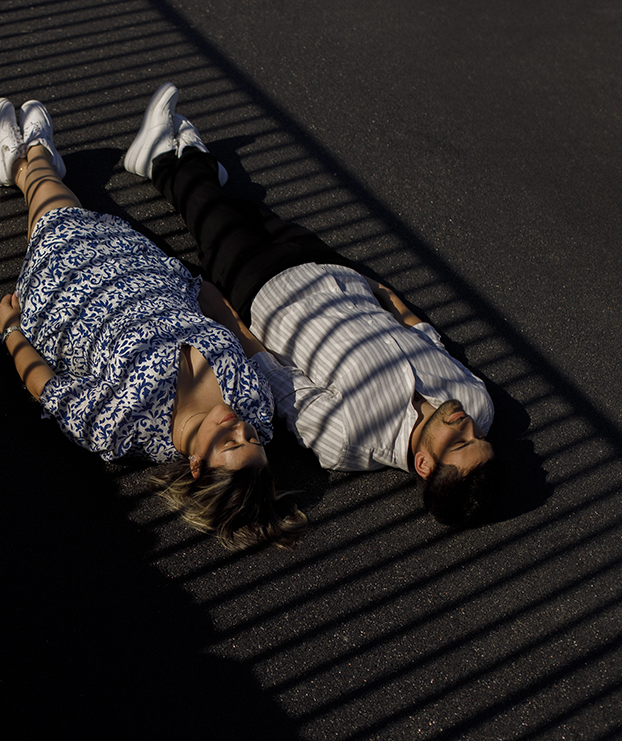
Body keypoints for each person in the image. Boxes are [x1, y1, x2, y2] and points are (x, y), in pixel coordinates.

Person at [124, 82, 501, 526]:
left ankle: (159, 159)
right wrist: (385, 294)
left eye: (459, 441)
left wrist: (225, 313)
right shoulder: (477, 404)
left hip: (266, 293)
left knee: (212, 219)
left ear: (423, 465)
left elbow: (274, 373)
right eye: (478, 436)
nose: (466, 422)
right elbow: (426, 338)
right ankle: (198, 163)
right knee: (254, 214)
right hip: (338, 276)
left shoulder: (346, 438)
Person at [0, 97, 306, 549]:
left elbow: (48, 388)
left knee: (55, 207)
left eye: (233, 443)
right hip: (148, 271)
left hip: (70, 287)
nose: (241, 427)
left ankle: (29, 158)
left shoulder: (123, 426)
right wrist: (211, 296)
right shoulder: (254, 407)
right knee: (62, 206)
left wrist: (11, 330)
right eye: (251, 438)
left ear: (197, 464)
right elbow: (241, 338)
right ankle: (25, 164)